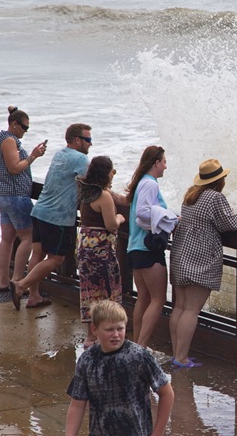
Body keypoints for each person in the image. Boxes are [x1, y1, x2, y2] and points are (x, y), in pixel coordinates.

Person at [62, 300, 174, 436]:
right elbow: (77, 404)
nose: (116, 334)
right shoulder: (87, 360)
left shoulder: (139, 356)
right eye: (109, 330)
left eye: (120, 329)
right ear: (94, 329)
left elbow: (167, 394)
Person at [10, 123, 92, 310]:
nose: (90, 144)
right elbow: (92, 186)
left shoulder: (59, 154)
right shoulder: (81, 159)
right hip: (58, 216)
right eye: (88, 140)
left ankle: (34, 297)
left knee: (38, 254)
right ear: (77, 140)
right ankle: (20, 286)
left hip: (40, 211)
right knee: (56, 259)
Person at [168, 158, 237, 368]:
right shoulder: (215, 197)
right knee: (191, 311)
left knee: (179, 307)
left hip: (181, 253)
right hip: (200, 258)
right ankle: (181, 358)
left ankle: (177, 354)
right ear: (220, 180)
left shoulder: (191, 195)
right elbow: (230, 224)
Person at [0, 106, 47, 292]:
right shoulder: (8, 140)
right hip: (13, 195)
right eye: (24, 127)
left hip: (2, 194)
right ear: (14, 124)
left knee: (7, 237)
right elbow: (14, 168)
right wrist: (33, 156)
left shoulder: (5, 138)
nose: (25, 131)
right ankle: (16, 280)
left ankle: (3, 281)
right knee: (28, 237)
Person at [76, 156, 125, 348]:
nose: (114, 173)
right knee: (106, 291)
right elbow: (111, 225)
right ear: (105, 173)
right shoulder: (103, 196)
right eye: (112, 170)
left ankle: (91, 336)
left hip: (85, 247)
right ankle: (98, 338)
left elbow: (121, 198)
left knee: (90, 291)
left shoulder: (87, 191)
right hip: (101, 251)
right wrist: (120, 217)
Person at [125, 146, 169, 351]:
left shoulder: (140, 182)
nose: (165, 166)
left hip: (134, 247)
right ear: (156, 163)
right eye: (164, 162)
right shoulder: (150, 184)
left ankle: (136, 344)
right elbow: (143, 213)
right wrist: (168, 218)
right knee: (158, 299)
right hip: (147, 248)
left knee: (143, 296)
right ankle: (141, 347)